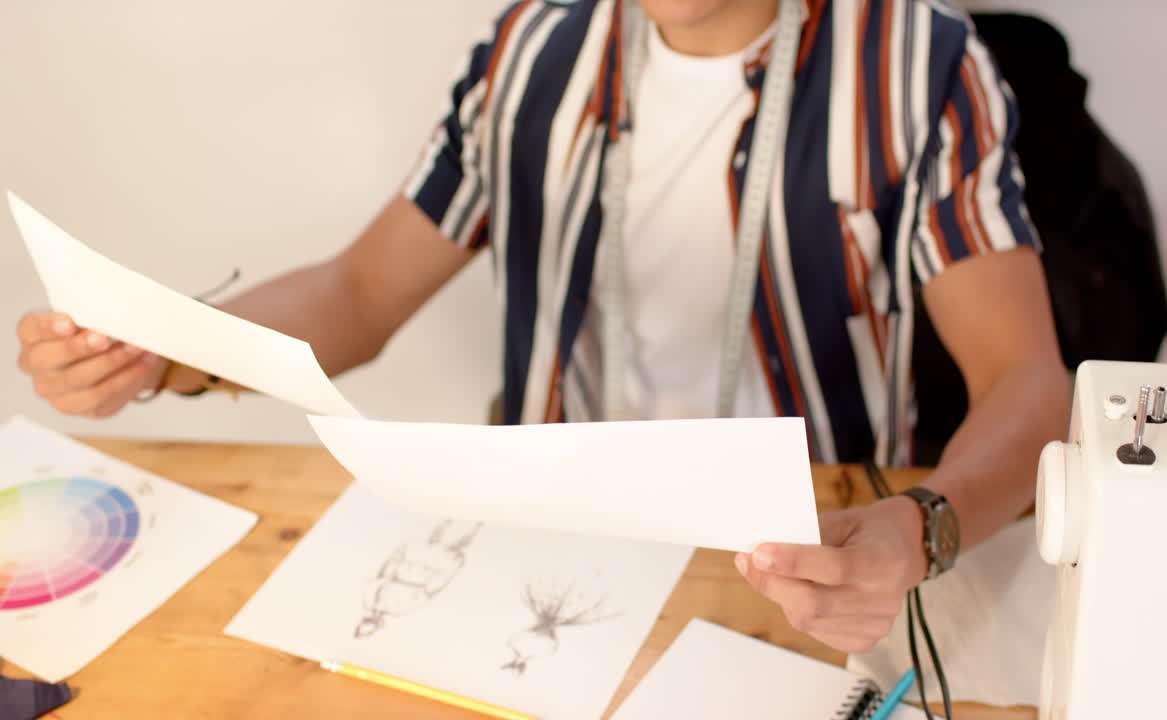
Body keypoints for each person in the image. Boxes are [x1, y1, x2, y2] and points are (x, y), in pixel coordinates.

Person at [14, 0, 1070, 655]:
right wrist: (164, 352)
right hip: (555, 532)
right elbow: (359, 293)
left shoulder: (919, 64)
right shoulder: (531, 49)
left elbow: (1027, 384)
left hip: (806, 555)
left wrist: (919, 531)